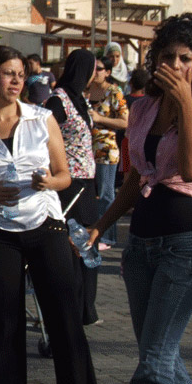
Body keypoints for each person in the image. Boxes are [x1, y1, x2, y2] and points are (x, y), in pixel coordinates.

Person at [89, 13, 192, 384]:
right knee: (160, 354)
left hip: (185, 244)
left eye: (185, 58)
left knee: (154, 361)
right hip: (140, 245)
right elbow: (136, 177)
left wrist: (185, 105)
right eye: (168, 57)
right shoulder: (143, 108)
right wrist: (101, 225)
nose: (176, 65)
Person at [0, 44, 96, 384]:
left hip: (46, 223)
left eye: (20, 74)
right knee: (6, 324)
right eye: (8, 74)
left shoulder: (41, 118)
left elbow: (65, 175)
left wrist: (49, 182)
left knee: (64, 318)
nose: (16, 81)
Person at [44, 49, 101, 326]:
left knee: (88, 244)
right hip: (70, 183)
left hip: (87, 182)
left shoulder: (80, 100)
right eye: (93, 69)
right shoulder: (59, 100)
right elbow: (44, 134)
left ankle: (87, 307)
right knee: (73, 246)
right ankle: (72, 307)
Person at [88, 56, 128, 249]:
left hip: (105, 149)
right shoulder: (86, 90)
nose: (95, 72)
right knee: (90, 194)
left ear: (108, 72)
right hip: (85, 150)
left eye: (100, 68)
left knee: (106, 194)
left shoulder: (114, 92)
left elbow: (125, 122)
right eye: (93, 68)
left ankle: (108, 237)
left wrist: (100, 119)